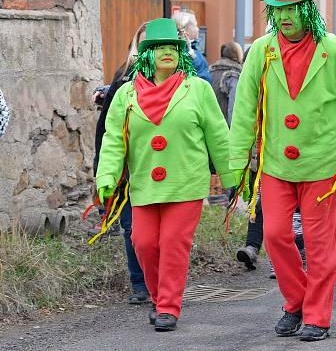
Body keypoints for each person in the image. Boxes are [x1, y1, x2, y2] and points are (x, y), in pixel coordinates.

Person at [229, 0, 336, 342]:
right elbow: (245, 109)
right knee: (276, 235)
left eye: (293, 9)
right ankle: (295, 300)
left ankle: (317, 317)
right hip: (276, 163)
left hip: (323, 164)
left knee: (321, 247)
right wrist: (237, 163)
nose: (286, 17)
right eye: (279, 10)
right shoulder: (262, 50)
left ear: (308, 10)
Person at [95, 18, 234, 331]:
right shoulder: (126, 95)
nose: (167, 52)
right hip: (144, 183)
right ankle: (160, 299)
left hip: (186, 181)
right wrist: (107, 177)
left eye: (173, 47)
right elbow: (114, 140)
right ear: (147, 55)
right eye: (159, 47)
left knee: (173, 243)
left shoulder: (198, 89)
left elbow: (218, 135)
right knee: (143, 243)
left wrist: (231, 176)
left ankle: (169, 307)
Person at [92, 22, 149, 305]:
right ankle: (139, 283)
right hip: (128, 168)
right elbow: (107, 128)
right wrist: (102, 169)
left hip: (162, 167)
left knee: (158, 233)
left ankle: (162, 282)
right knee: (131, 228)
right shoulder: (124, 75)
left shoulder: (181, 78)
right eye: (143, 41)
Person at [173, 9, 212, 84]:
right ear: (186, 29)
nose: (198, 29)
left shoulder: (192, 50)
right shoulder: (185, 53)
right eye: (195, 25)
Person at [209, 41, 243, 126]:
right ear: (236, 55)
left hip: (210, 123)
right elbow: (233, 106)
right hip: (225, 127)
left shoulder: (210, 71)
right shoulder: (233, 74)